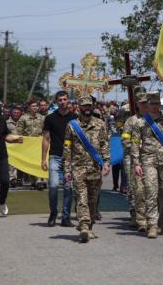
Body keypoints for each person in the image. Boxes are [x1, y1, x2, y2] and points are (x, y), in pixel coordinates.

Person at [132, 91, 163, 238]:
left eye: (157, 104)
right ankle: (152, 225)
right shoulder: (141, 122)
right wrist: (136, 163)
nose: (155, 106)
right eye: (152, 103)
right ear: (147, 105)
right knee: (151, 192)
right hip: (148, 160)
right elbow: (135, 143)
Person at [64, 95, 111, 243]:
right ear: (79, 107)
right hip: (78, 168)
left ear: (93, 106)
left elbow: (104, 144)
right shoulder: (72, 125)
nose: (87, 108)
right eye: (84, 106)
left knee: (92, 200)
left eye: (89, 105)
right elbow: (67, 148)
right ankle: (84, 226)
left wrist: (106, 162)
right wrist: (67, 169)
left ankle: (89, 226)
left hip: (95, 168)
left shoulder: (100, 124)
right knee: (82, 198)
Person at [42, 91, 77, 227]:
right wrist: (43, 159)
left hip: (70, 158)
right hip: (54, 156)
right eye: (60, 100)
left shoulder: (75, 118)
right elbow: (46, 139)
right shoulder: (50, 118)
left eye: (64, 99)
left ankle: (66, 217)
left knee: (68, 187)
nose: (62, 102)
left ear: (68, 100)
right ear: (56, 101)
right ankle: (53, 213)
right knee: (53, 186)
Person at [121, 87, 148, 231]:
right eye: (141, 102)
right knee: (133, 187)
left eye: (146, 102)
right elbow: (125, 140)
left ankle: (147, 214)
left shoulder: (152, 119)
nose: (144, 105)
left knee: (149, 187)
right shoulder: (131, 121)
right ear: (137, 104)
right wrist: (137, 148)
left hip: (150, 156)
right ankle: (134, 213)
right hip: (131, 157)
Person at [17, 100, 46, 190]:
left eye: (36, 106)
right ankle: (34, 181)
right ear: (29, 107)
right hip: (28, 144)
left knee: (39, 161)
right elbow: (19, 131)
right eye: (33, 106)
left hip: (39, 143)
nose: (35, 107)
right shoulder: (23, 118)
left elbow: (45, 130)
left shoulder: (42, 118)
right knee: (31, 163)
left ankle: (40, 180)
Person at [6, 106, 23, 187]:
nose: (16, 114)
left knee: (21, 162)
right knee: (11, 163)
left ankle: (20, 179)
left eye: (18, 112)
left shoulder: (23, 121)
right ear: (11, 113)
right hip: (11, 146)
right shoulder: (6, 123)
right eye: (14, 112)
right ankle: (12, 179)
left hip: (22, 145)